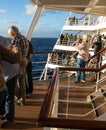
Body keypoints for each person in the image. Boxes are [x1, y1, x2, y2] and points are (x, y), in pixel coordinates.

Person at [0, 36, 22, 128]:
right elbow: (15, 58)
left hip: (9, 74)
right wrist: (15, 49)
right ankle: (6, 116)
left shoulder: (2, 41)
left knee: (8, 96)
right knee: (7, 96)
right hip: (5, 76)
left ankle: (8, 117)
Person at [8, 26, 29, 105]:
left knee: (15, 79)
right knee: (21, 80)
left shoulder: (16, 39)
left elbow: (14, 53)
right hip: (24, 60)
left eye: (9, 33)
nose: (9, 35)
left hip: (19, 62)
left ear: (11, 33)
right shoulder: (23, 37)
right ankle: (22, 99)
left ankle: (18, 98)